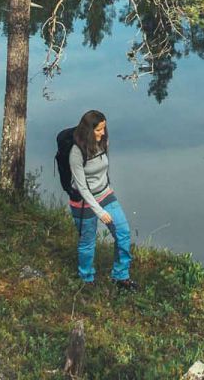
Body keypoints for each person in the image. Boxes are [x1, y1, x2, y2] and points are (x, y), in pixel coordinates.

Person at [67, 109, 135, 290]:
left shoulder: (103, 142)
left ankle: (121, 276)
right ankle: (86, 279)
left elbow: (103, 170)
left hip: (105, 194)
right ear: (89, 130)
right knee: (88, 243)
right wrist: (100, 212)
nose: (103, 133)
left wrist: (108, 192)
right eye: (98, 130)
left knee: (123, 232)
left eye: (104, 128)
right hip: (84, 202)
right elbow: (82, 187)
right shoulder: (76, 152)